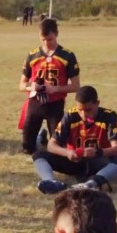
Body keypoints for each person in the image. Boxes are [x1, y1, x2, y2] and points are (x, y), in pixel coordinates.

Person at [33, 86, 117, 194]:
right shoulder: (71, 116)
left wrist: (98, 152)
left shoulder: (109, 116)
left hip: (96, 162)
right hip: (73, 162)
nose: (84, 114)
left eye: (88, 110)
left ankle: (90, 184)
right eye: (80, 109)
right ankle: (51, 182)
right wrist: (67, 152)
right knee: (39, 155)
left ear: (97, 103)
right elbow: (51, 145)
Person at [17, 18, 80, 155]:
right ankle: (40, 136)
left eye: (50, 39)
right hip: (35, 103)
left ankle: (43, 135)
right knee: (27, 148)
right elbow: (21, 85)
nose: (47, 43)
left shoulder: (67, 56)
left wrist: (56, 89)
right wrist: (31, 87)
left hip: (55, 104)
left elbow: (76, 86)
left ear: (56, 34)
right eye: (43, 39)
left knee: (57, 148)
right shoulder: (32, 55)